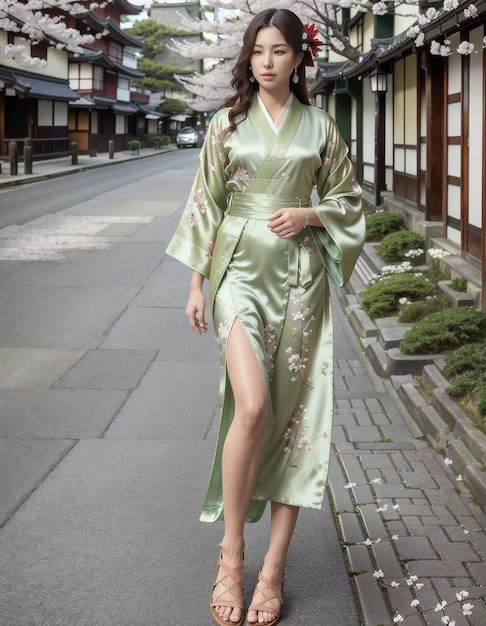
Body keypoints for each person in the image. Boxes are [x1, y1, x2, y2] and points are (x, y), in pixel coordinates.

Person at [166, 8, 365, 626]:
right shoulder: (226, 125)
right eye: (258, 51)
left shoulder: (322, 128)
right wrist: (197, 282)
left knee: (291, 417)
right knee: (251, 406)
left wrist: (310, 216)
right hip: (237, 275)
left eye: (279, 50)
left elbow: (347, 199)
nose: (268, 61)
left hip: (302, 280)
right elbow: (206, 201)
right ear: (248, 59)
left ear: (299, 58)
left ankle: (273, 568)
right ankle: (231, 553)